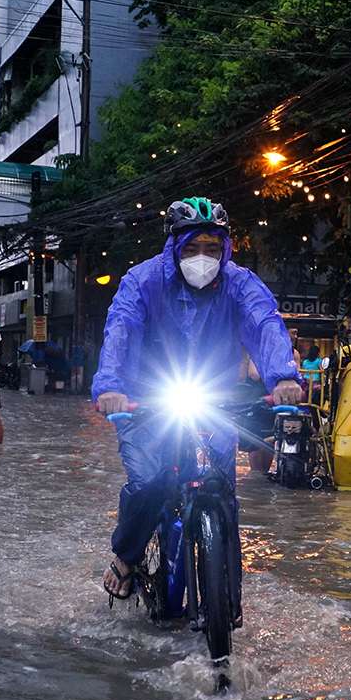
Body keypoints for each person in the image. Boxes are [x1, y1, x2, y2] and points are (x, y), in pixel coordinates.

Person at [93, 197, 302, 605]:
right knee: (150, 482)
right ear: (174, 247)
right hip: (144, 403)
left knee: (223, 492)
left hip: (215, 401)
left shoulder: (241, 283)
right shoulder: (142, 281)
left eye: (211, 247)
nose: (202, 257)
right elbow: (120, 329)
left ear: (225, 249)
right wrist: (110, 387)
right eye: (191, 248)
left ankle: (228, 598)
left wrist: (283, 378)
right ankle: (126, 556)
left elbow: (265, 324)